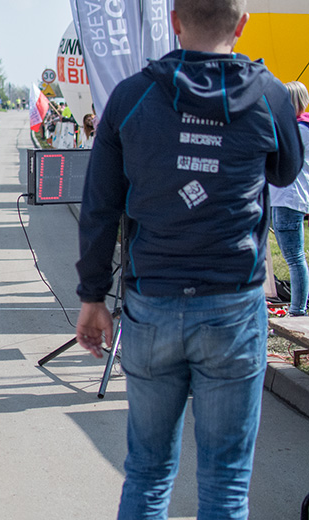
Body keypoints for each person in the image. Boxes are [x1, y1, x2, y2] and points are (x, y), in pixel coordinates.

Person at [74, 1, 303, 518]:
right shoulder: (267, 94)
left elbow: (100, 205)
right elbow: (287, 172)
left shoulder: (132, 95)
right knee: (225, 484)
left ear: (174, 20)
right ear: (242, 25)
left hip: (152, 303)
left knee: (149, 475)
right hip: (234, 308)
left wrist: (92, 296)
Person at [270, 81, 309, 317]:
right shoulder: (299, 127)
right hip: (285, 197)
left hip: (288, 197)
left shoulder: (300, 130)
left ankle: (297, 310)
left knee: (294, 257)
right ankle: (298, 307)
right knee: (293, 256)